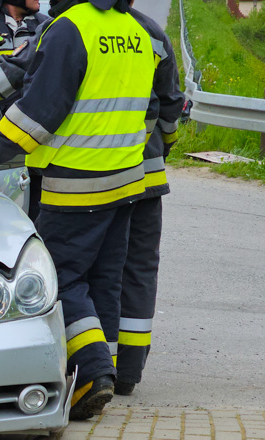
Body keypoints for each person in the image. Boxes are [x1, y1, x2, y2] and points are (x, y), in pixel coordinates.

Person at [0, 0, 155, 420]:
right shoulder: (134, 30)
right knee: (105, 281)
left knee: (62, 276)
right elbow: (151, 108)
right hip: (125, 181)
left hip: (76, 181)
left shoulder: (69, 29)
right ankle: (106, 369)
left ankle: (93, 377)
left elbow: (33, 116)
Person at [115, 0, 183, 396]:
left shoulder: (74, 27)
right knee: (139, 269)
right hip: (148, 173)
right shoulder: (153, 34)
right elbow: (172, 105)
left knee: (103, 271)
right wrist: (163, 144)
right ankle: (129, 373)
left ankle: (97, 366)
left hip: (99, 176)